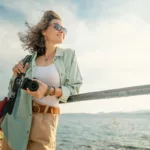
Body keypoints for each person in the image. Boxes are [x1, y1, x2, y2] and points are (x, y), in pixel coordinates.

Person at [1, 10, 83, 150]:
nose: (61, 31)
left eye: (64, 29)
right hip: (18, 117)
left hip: (46, 121)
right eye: (57, 27)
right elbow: (12, 91)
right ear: (44, 31)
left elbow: (74, 88)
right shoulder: (28, 60)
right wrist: (16, 77)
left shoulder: (69, 55)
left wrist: (49, 90)